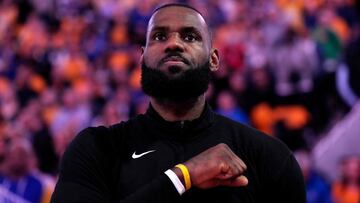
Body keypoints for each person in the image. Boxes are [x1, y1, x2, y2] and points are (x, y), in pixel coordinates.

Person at [51, 3, 306, 203]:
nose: (173, 43)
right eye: (159, 37)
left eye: (190, 37)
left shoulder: (269, 157)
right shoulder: (96, 149)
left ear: (214, 59)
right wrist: (185, 175)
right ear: (142, 57)